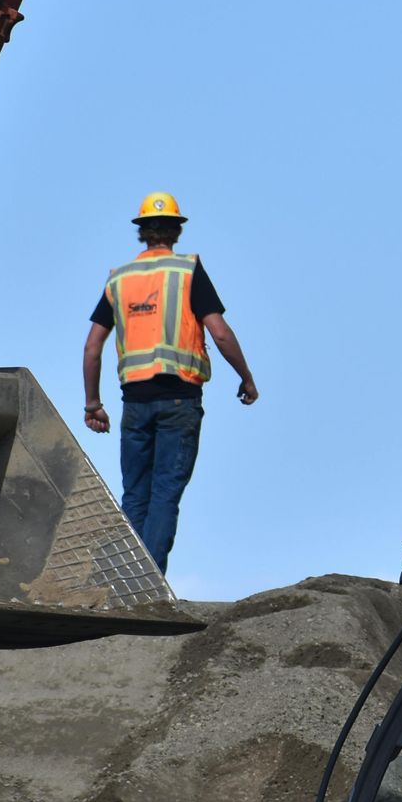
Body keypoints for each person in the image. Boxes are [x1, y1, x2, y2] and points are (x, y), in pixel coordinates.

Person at [82, 192, 257, 572]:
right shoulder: (187, 271)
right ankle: (150, 583)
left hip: (134, 402)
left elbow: (92, 347)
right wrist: (246, 378)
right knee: (164, 494)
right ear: (176, 231)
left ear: (141, 233)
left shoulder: (120, 279)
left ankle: (126, 583)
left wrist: (92, 403)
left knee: (135, 496)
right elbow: (221, 334)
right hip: (179, 400)